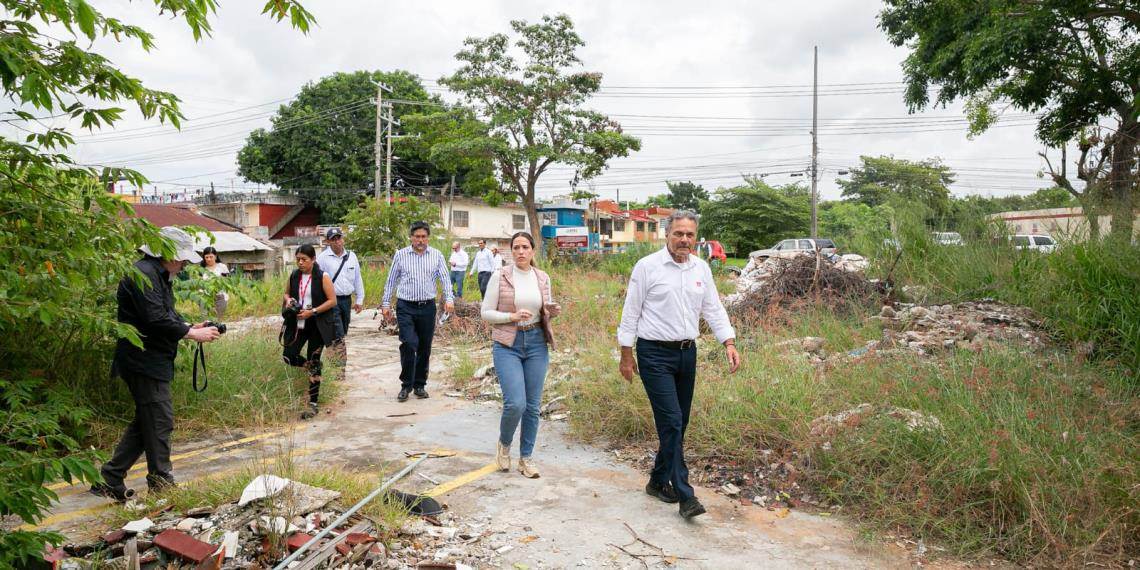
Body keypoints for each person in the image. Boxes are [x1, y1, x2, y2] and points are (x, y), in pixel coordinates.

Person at [616, 211, 742, 519]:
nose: (684, 240)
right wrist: (625, 354)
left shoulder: (701, 268)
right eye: (678, 234)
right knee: (671, 421)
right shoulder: (647, 267)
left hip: (687, 353)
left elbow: (713, 307)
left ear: (695, 238)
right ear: (666, 235)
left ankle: (658, 481)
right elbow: (631, 312)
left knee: (678, 424)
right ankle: (685, 495)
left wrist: (728, 342)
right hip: (653, 354)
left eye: (689, 235)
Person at [91, 227, 221, 502]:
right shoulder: (144, 275)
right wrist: (191, 333)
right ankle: (161, 480)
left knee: (147, 421)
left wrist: (188, 325)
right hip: (142, 361)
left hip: (151, 359)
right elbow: (154, 319)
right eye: (183, 258)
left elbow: (164, 315)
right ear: (167, 253)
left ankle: (110, 478)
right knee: (160, 419)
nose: (185, 263)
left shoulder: (157, 274)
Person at [480, 232, 560, 478]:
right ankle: (504, 445)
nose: (521, 251)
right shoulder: (500, 276)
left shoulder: (542, 278)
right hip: (508, 344)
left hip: (536, 342)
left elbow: (544, 311)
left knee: (533, 406)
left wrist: (552, 311)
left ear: (533, 251)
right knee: (516, 403)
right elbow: (486, 312)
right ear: (511, 251)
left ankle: (526, 458)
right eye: (516, 247)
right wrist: (511, 317)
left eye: (525, 247)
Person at [381, 221, 454, 402]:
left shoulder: (436, 255)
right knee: (408, 343)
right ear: (411, 238)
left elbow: (445, 279)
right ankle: (406, 385)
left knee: (424, 347)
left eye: (423, 237)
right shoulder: (401, 255)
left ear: (428, 238)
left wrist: (449, 299)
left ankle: (420, 385)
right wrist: (385, 304)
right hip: (405, 306)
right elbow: (391, 281)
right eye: (417, 237)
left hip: (428, 307)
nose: (420, 240)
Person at [282, 244, 339, 420]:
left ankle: (313, 402)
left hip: (316, 324)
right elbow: (286, 294)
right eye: (298, 259)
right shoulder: (294, 275)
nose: (300, 262)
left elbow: (332, 301)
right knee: (288, 355)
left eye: (304, 259)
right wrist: (289, 300)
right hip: (297, 323)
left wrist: (312, 311)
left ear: (313, 259)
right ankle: (312, 367)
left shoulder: (322, 276)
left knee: (314, 356)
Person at [316, 227, 364, 341]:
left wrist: (359, 299)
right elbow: (317, 280)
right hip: (332, 301)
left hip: (347, 301)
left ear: (343, 239)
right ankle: (340, 358)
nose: (337, 241)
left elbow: (357, 278)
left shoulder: (352, 256)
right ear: (328, 242)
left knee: (344, 330)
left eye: (339, 238)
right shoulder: (322, 258)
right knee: (338, 333)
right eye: (333, 239)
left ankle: (336, 354)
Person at [200, 246, 229, 319]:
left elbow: (226, 282)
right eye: (206, 257)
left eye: (211, 257)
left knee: (217, 320)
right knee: (205, 319)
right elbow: (199, 284)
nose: (209, 259)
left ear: (215, 256)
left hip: (220, 297)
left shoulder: (222, 267)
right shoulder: (201, 268)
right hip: (205, 297)